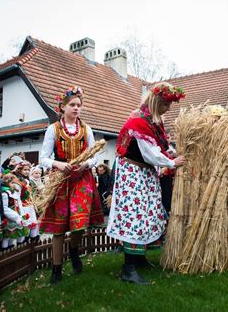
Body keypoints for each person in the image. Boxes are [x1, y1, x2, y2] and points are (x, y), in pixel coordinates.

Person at [106, 82, 186, 285]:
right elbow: (149, 153)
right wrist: (171, 162)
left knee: (148, 213)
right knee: (135, 215)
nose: (168, 109)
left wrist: (171, 153)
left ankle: (138, 259)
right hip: (133, 173)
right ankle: (128, 268)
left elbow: (158, 147)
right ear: (157, 101)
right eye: (166, 104)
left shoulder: (152, 121)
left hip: (144, 173)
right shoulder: (139, 121)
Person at [39, 85, 103, 285]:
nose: (76, 108)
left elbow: (94, 155)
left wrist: (86, 163)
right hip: (60, 181)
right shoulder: (53, 129)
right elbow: (43, 158)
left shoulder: (86, 129)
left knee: (79, 224)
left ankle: (74, 251)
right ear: (62, 107)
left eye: (79, 105)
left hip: (82, 181)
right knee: (59, 229)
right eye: (72, 105)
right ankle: (56, 269)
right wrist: (59, 164)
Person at [13, 161, 39, 242]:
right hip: (23, 208)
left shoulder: (28, 181)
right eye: (25, 169)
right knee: (25, 230)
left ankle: (31, 247)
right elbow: (17, 198)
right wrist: (21, 212)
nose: (27, 171)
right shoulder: (18, 182)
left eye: (28, 169)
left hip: (30, 207)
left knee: (33, 227)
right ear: (19, 170)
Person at [1, 173, 26, 250]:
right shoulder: (5, 193)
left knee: (13, 235)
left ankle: (11, 252)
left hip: (16, 217)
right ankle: (4, 252)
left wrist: (22, 215)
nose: (15, 186)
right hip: (9, 218)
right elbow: (4, 208)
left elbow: (19, 205)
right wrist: (16, 216)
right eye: (13, 183)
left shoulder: (15, 194)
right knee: (7, 237)